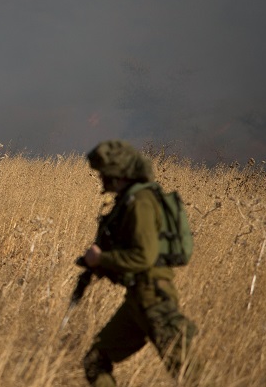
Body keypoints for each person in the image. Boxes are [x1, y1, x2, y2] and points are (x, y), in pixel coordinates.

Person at [81, 139, 198, 386]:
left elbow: (143, 256)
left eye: (105, 172)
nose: (101, 176)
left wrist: (101, 258)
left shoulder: (141, 202)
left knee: (190, 374)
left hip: (154, 298)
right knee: (95, 361)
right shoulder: (128, 201)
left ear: (119, 172)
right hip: (137, 299)